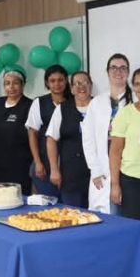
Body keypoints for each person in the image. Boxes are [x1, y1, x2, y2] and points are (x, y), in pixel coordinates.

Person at [82, 53, 133, 214]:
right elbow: (88, 138)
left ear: (128, 72)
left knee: (126, 216)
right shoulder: (96, 103)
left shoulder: (136, 100)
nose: (118, 71)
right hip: (102, 171)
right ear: (107, 72)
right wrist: (95, 170)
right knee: (103, 217)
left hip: (129, 170)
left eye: (123, 68)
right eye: (114, 68)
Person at [109, 67, 140, 222]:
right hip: (132, 180)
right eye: (137, 84)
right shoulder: (126, 113)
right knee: (138, 227)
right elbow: (115, 151)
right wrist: (115, 185)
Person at [0, 68, 34, 194]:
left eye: (16, 83)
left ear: (23, 85)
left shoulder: (30, 105)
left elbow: (34, 136)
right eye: (7, 83)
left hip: (18, 167)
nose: (11, 87)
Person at [47, 71, 93, 207]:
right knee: (73, 214)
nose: (81, 86)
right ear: (72, 89)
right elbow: (51, 140)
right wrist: (54, 169)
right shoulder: (62, 109)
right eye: (77, 83)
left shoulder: (101, 107)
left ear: (91, 86)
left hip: (97, 174)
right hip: (71, 174)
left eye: (85, 82)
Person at [26, 65, 71, 198]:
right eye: (52, 81)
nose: (57, 84)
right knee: (49, 205)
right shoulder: (39, 103)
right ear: (47, 82)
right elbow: (32, 133)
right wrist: (37, 162)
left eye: (60, 80)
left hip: (69, 164)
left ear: (66, 81)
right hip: (44, 164)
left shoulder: (74, 102)